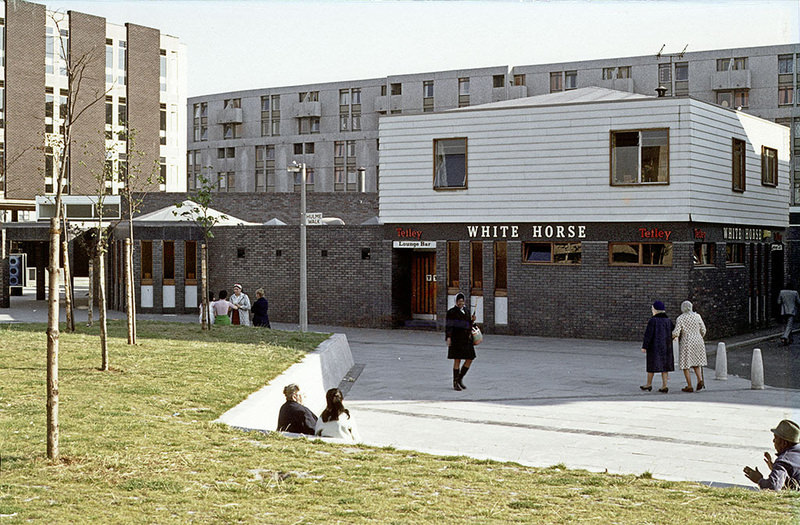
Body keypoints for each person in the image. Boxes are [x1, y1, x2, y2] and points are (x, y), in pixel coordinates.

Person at [744, 419, 800, 490]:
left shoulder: (784, 461)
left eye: (775, 438)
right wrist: (775, 468)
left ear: (784, 443)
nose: (773, 441)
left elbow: (773, 486)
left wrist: (759, 480)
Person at [672, 300, 707, 393]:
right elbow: (703, 329)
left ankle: (689, 385)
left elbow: (676, 332)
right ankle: (700, 380)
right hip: (698, 340)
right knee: (696, 362)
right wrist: (700, 336)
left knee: (685, 364)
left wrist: (672, 336)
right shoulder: (697, 316)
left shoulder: (680, 318)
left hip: (687, 341)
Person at [640, 300, 674, 393]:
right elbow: (673, 331)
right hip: (666, 347)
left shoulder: (653, 321)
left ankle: (649, 384)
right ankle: (664, 385)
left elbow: (648, 335)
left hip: (654, 346)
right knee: (665, 366)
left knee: (651, 366)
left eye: (652, 308)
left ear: (655, 310)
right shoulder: (668, 321)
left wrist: (645, 346)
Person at [446, 292, 476, 391]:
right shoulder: (451, 312)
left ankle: (460, 379)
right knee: (457, 360)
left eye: (462, 301)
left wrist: (472, 321)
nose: (461, 303)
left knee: (470, 358)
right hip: (456, 338)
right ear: (456, 301)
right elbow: (449, 325)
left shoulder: (467, 311)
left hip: (467, 339)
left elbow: (469, 324)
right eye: (459, 301)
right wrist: (448, 337)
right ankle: (455, 383)